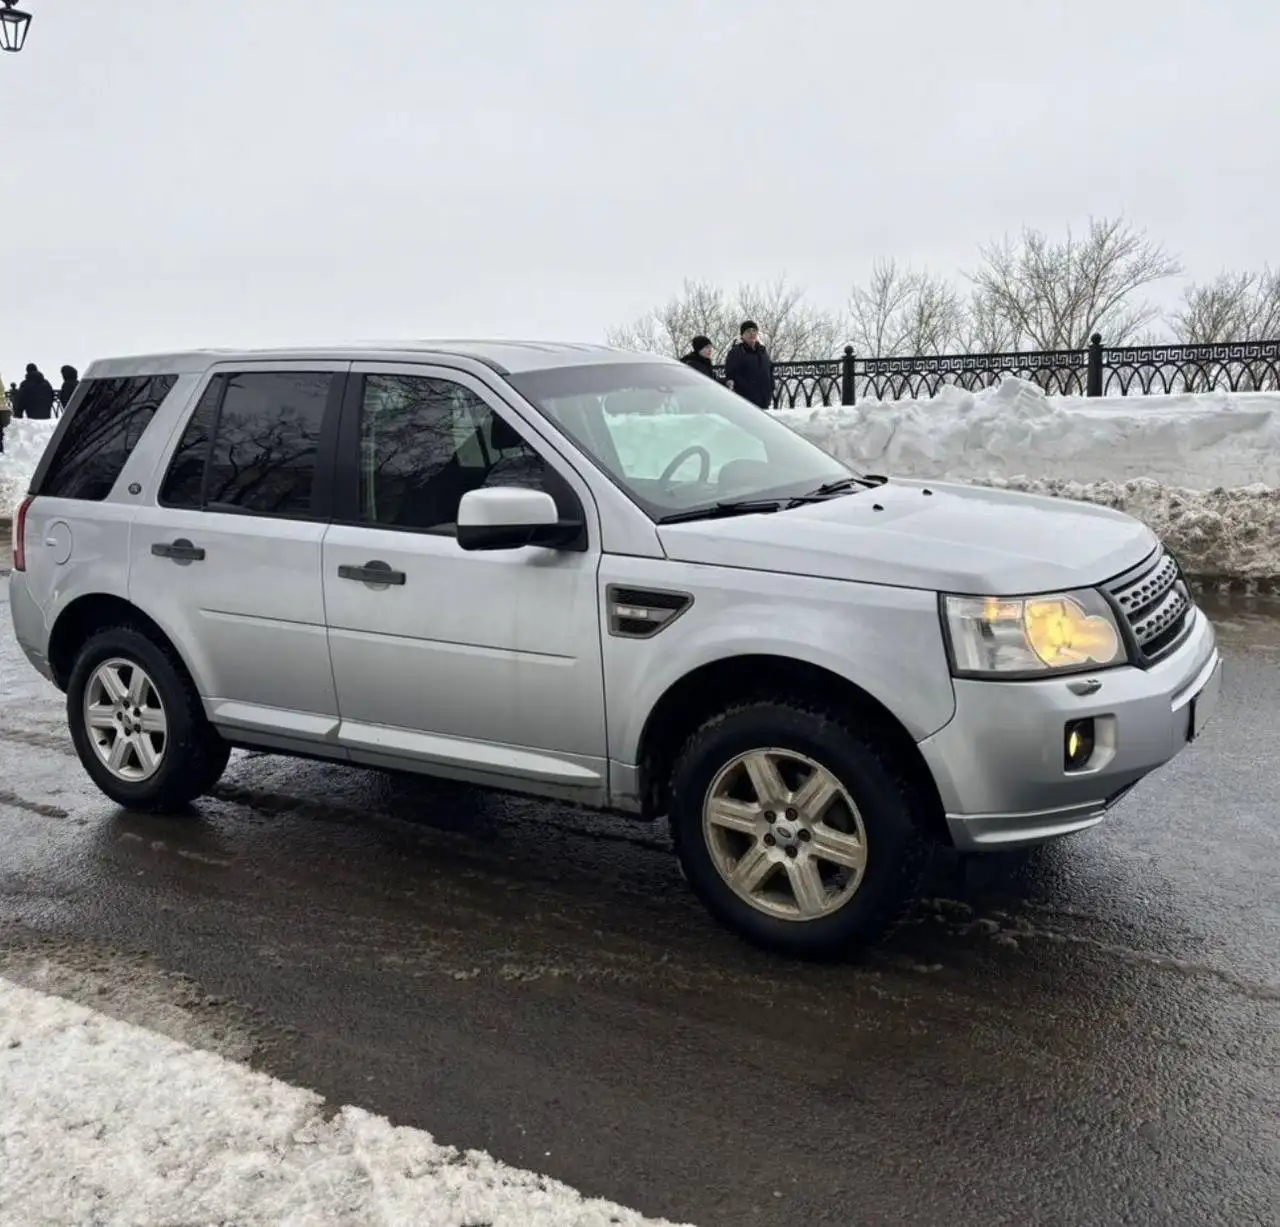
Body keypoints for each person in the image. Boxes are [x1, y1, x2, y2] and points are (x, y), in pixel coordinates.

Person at [723, 320, 774, 409]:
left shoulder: (762, 351)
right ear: (742, 335)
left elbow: (769, 370)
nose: (752, 333)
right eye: (748, 331)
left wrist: (771, 387)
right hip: (745, 400)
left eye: (754, 331)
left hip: (764, 399)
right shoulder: (736, 352)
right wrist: (744, 389)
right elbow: (731, 374)